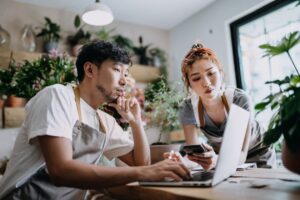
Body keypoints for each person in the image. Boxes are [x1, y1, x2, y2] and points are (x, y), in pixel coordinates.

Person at [0, 41, 190, 199]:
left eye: (126, 74)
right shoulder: (57, 96)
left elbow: (141, 164)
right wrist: (144, 173)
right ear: (90, 69)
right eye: (117, 70)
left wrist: (136, 121)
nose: (124, 81)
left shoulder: (104, 120)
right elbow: (60, 171)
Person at [179, 43, 276, 170]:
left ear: (220, 73)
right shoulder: (189, 108)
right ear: (189, 84)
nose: (206, 83)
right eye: (196, 78)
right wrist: (181, 162)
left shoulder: (239, 99)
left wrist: (216, 159)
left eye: (211, 73)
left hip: (259, 152)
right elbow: (195, 156)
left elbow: (241, 155)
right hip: (224, 157)